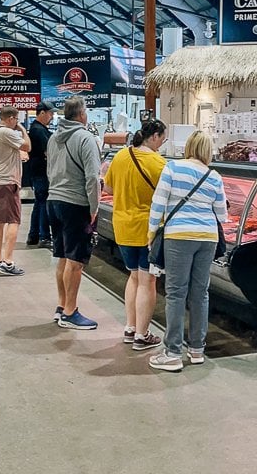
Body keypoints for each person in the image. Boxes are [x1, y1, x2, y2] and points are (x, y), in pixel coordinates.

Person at [146, 130, 228, 373]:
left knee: (176, 292)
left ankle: (172, 353)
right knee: (200, 293)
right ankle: (197, 349)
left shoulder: (173, 168)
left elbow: (158, 202)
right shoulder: (214, 176)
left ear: (188, 147)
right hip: (208, 238)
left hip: (179, 236)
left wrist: (151, 232)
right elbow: (222, 215)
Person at [104, 118, 168, 350]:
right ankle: (142, 335)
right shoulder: (159, 163)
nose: (163, 143)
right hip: (148, 230)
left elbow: (108, 188)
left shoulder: (121, 156)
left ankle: (130, 328)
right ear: (154, 136)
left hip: (122, 226)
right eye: (162, 139)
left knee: (133, 276)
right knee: (148, 281)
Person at [46, 97, 103, 329]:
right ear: (81, 115)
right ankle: (71, 312)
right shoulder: (85, 138)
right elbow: (92, 177)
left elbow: (50, 169)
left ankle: (62, 306)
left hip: (54, 200)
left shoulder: (53, 138)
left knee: (62, 256)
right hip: (75, 204)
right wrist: (94, 207)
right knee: (76, 261)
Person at [0, 106, 30, 275]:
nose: (17, 122)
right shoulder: (6, 132)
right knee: (13, 221)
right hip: (6, 182)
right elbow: (27, 146)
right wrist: (22, 129)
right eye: (17, 119)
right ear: (11, 118)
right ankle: (8, 262)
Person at [24, 102, 55, 247]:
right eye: (50, 113)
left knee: (39, 203)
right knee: (44, 203)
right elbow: (48, 152)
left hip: (37, 172)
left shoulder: (37, 128)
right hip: (42, 172)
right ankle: (45, 237)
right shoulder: (39, 130)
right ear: (42, 113)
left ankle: (33, 235)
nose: (52, 116)